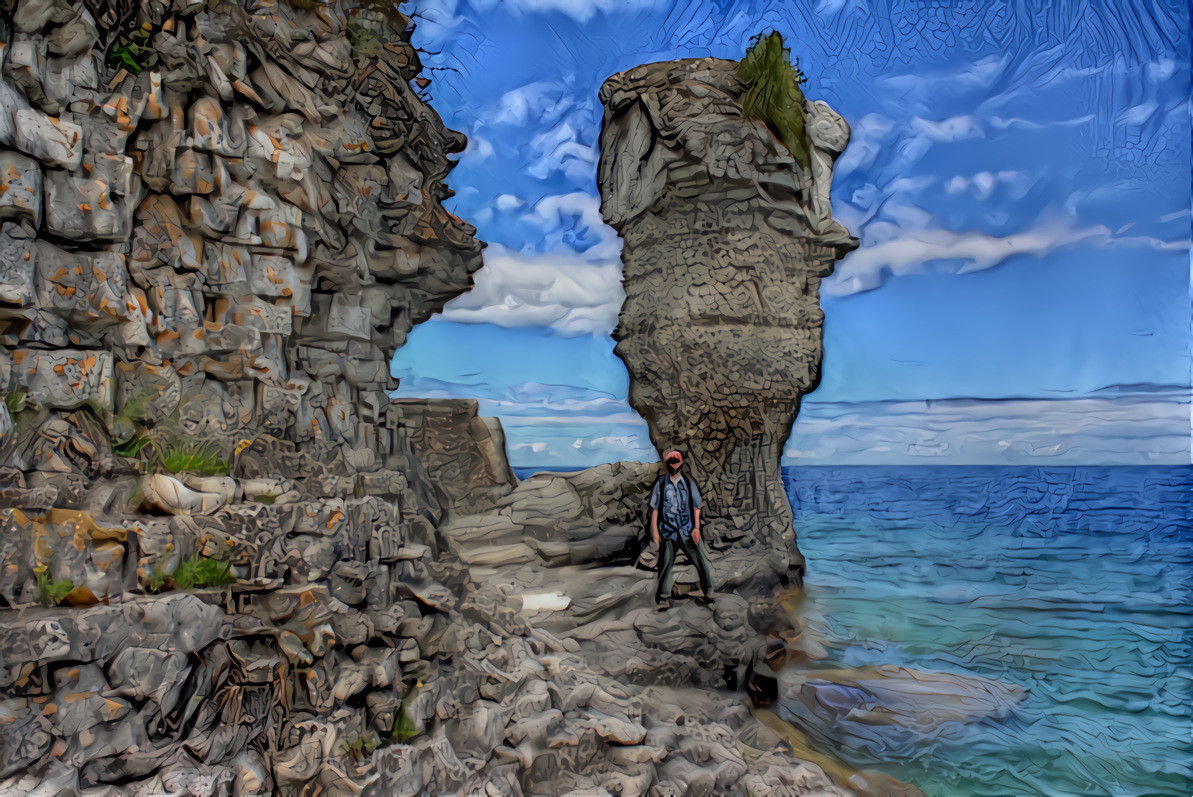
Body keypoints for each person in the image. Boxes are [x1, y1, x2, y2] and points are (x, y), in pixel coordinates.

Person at [649, 449, 715, 609]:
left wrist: (696, 529)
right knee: (665, 564)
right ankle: (663, 598)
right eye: (671, 459)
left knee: (701, 562)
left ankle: (708, 593)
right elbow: (655, 510)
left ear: (681, 462)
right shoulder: (661, 483)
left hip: (687, 531)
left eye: (676, 459)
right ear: (666, 462)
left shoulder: (688, 481)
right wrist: (655, 532)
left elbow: (696, 506)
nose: (673, 462)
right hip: (668, 531)